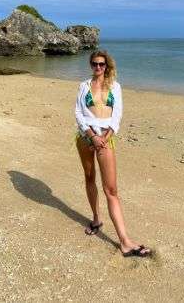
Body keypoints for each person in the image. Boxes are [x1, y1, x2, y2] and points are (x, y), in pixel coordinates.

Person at [74, 50, 152, 258]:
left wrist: (104, 138)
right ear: (90, 65)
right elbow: (78, 113)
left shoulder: (115, 87)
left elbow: (116, 116)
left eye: (101, 64)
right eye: (94, 64)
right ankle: (96, 219)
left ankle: (125, 242)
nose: (98, 68)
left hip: (105, 140)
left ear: (106, 66)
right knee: (89, 178)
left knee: (111, 190)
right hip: (85, 138)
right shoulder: (83, 86)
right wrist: (91, 135)